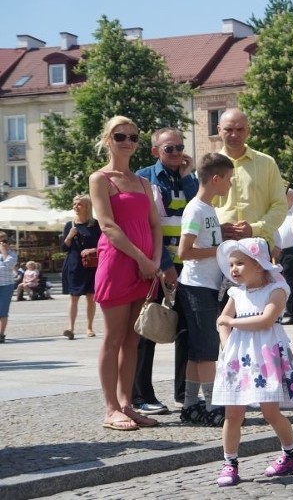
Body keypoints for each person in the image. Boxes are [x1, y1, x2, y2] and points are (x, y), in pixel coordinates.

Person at [212, 237, 293, 487]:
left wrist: (231, 324)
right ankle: (229, 462)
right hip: (239, 357)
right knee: (233, 412)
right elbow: (222, 320)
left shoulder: (276, 290)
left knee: (270, 411)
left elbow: (265, 320)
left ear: (260, 265)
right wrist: (227, 343)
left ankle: (291, 452)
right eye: (231, 264)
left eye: (240, 263)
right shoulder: (236, 293)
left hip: (264, 356)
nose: (233, 269)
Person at [89, 116, 162, 430]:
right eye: (120, 136)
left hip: (146, 268)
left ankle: (126, 404)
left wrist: (155, 261)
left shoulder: (144, 182)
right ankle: (110, 409)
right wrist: (140, 258)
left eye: (133, 137)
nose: (128, 142)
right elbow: (107, 226)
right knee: (113, 338)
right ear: (109, 139)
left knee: (134, 341)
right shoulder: (101, 179)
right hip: (118, 264)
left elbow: (156, 226)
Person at [134, 127, 199, 414]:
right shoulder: (144, 178)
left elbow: (200, 210)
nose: (176, 154)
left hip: (189, 264)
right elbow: (146, 227)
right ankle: (142, 395)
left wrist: (188, 178)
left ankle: (183, 392)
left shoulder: (189, 179)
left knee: (187, 328)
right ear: (155, 151)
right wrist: (163, 266)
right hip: (156, 264)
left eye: (179, 148)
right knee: (147, 328)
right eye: (169, 149)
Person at [176, 153, 234, 426]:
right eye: (229, 180)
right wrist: (221, 249)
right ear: (216, 179)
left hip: (208, 287)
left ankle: (190, 403)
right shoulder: (196, 209)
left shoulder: (209, 209)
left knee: (198, 351)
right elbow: (184, 251)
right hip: (196, 287)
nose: (230, 185)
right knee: (207, 350)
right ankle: (212, 404)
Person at [213, 108, 287, 247]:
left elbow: (280, 206)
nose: (234, 134)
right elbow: (201, 206)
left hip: (258, 245)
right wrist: (216, 230)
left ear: (248, 130)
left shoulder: (267, 163)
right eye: (228, 129)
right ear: (219, 130)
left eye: (240, 129)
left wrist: (254, 229)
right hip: (219, 246)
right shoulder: (209, 165)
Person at [61, 194, 101, 339]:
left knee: (91, 297)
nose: (76, 207)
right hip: (74, 265)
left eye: (79, 204)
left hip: (91, 265)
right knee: (74, 297)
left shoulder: (95, 225)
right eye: (75, 204)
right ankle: (70, 328)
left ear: (87, 207)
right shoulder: (69, 225)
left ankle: (89, 328)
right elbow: (63, 248)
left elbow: (104, 245)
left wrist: (92, 250)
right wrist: (69, 236)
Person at [273, 188, 293, 325]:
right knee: (279, 281)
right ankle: (283, 311)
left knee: (290, 282)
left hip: (292, 251)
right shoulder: (279, 211)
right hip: (279, 251)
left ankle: (291, 312)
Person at [0, 232, 18, 343]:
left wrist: (4, 251)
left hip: (6, 285)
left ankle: (1, 334)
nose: (2, 243)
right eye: (0, 241)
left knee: (3, 310)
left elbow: (9, 265)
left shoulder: (12, 254)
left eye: (5, 241)